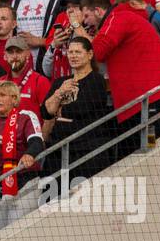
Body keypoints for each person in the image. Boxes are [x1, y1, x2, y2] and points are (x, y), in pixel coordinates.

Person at [76, 0, 160, 151]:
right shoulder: (122, 17)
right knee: (147, 150)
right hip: (150, 96)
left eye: (86, 16)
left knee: (155, 151)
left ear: (99, 11)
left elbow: (96, 52)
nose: (85, 22)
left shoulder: (117, 18)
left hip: (154, 95)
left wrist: (77, 28)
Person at [40, 35, 114, 180]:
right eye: (70, 52)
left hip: (85, 150)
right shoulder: (60, 82)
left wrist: (58, 108)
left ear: (89, 54)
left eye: (78, 52)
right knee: (51, 199)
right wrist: (59, 93)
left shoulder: (96, 80)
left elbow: (81, 109)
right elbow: (45, 112)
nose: (73, 56)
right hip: (57, 150)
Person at [0, 77, 42, 228]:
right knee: (1, 233)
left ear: (14, 98)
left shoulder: (26, 116)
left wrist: (29, 154)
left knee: (17, 232)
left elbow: (37, 141)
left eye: (2, 95)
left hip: (23, 182)